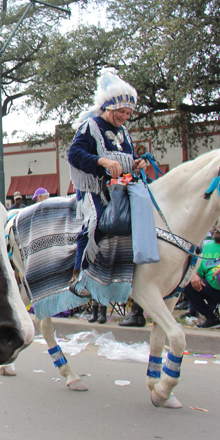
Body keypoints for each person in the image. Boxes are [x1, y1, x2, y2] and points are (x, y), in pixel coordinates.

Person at [66, 69, 147, 298]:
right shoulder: (90, 126)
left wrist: (136, 164)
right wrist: (102, 160)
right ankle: (79, 275)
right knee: (97, 222)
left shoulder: (125, 133)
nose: (124, 117)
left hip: (120, 189)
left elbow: (127, 160)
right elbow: (74, 155)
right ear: (109, 107)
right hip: (94, 189)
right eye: (121, 111)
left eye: (128, 113)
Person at [184, 223, 220, 328]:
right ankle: (212, 318)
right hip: (213, 289)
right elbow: (195, 268)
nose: (216, 228)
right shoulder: (205, 247)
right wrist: (194, 275)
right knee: (186, 284)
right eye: (214, 225)